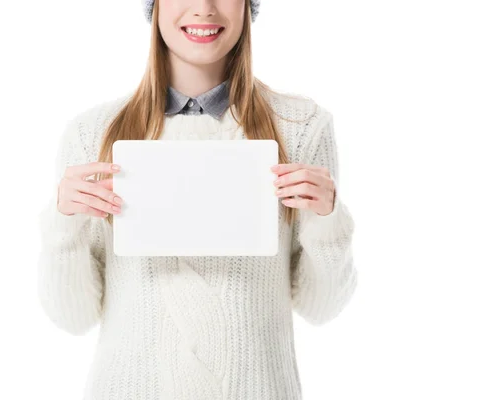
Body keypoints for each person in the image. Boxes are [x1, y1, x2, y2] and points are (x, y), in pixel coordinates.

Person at [37, 0, 358, 399]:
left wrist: (327, 219)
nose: (203, 8)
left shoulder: (301, 128)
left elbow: (322, 307)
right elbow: (72, 318)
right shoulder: (93, 134)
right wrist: (63, 225)